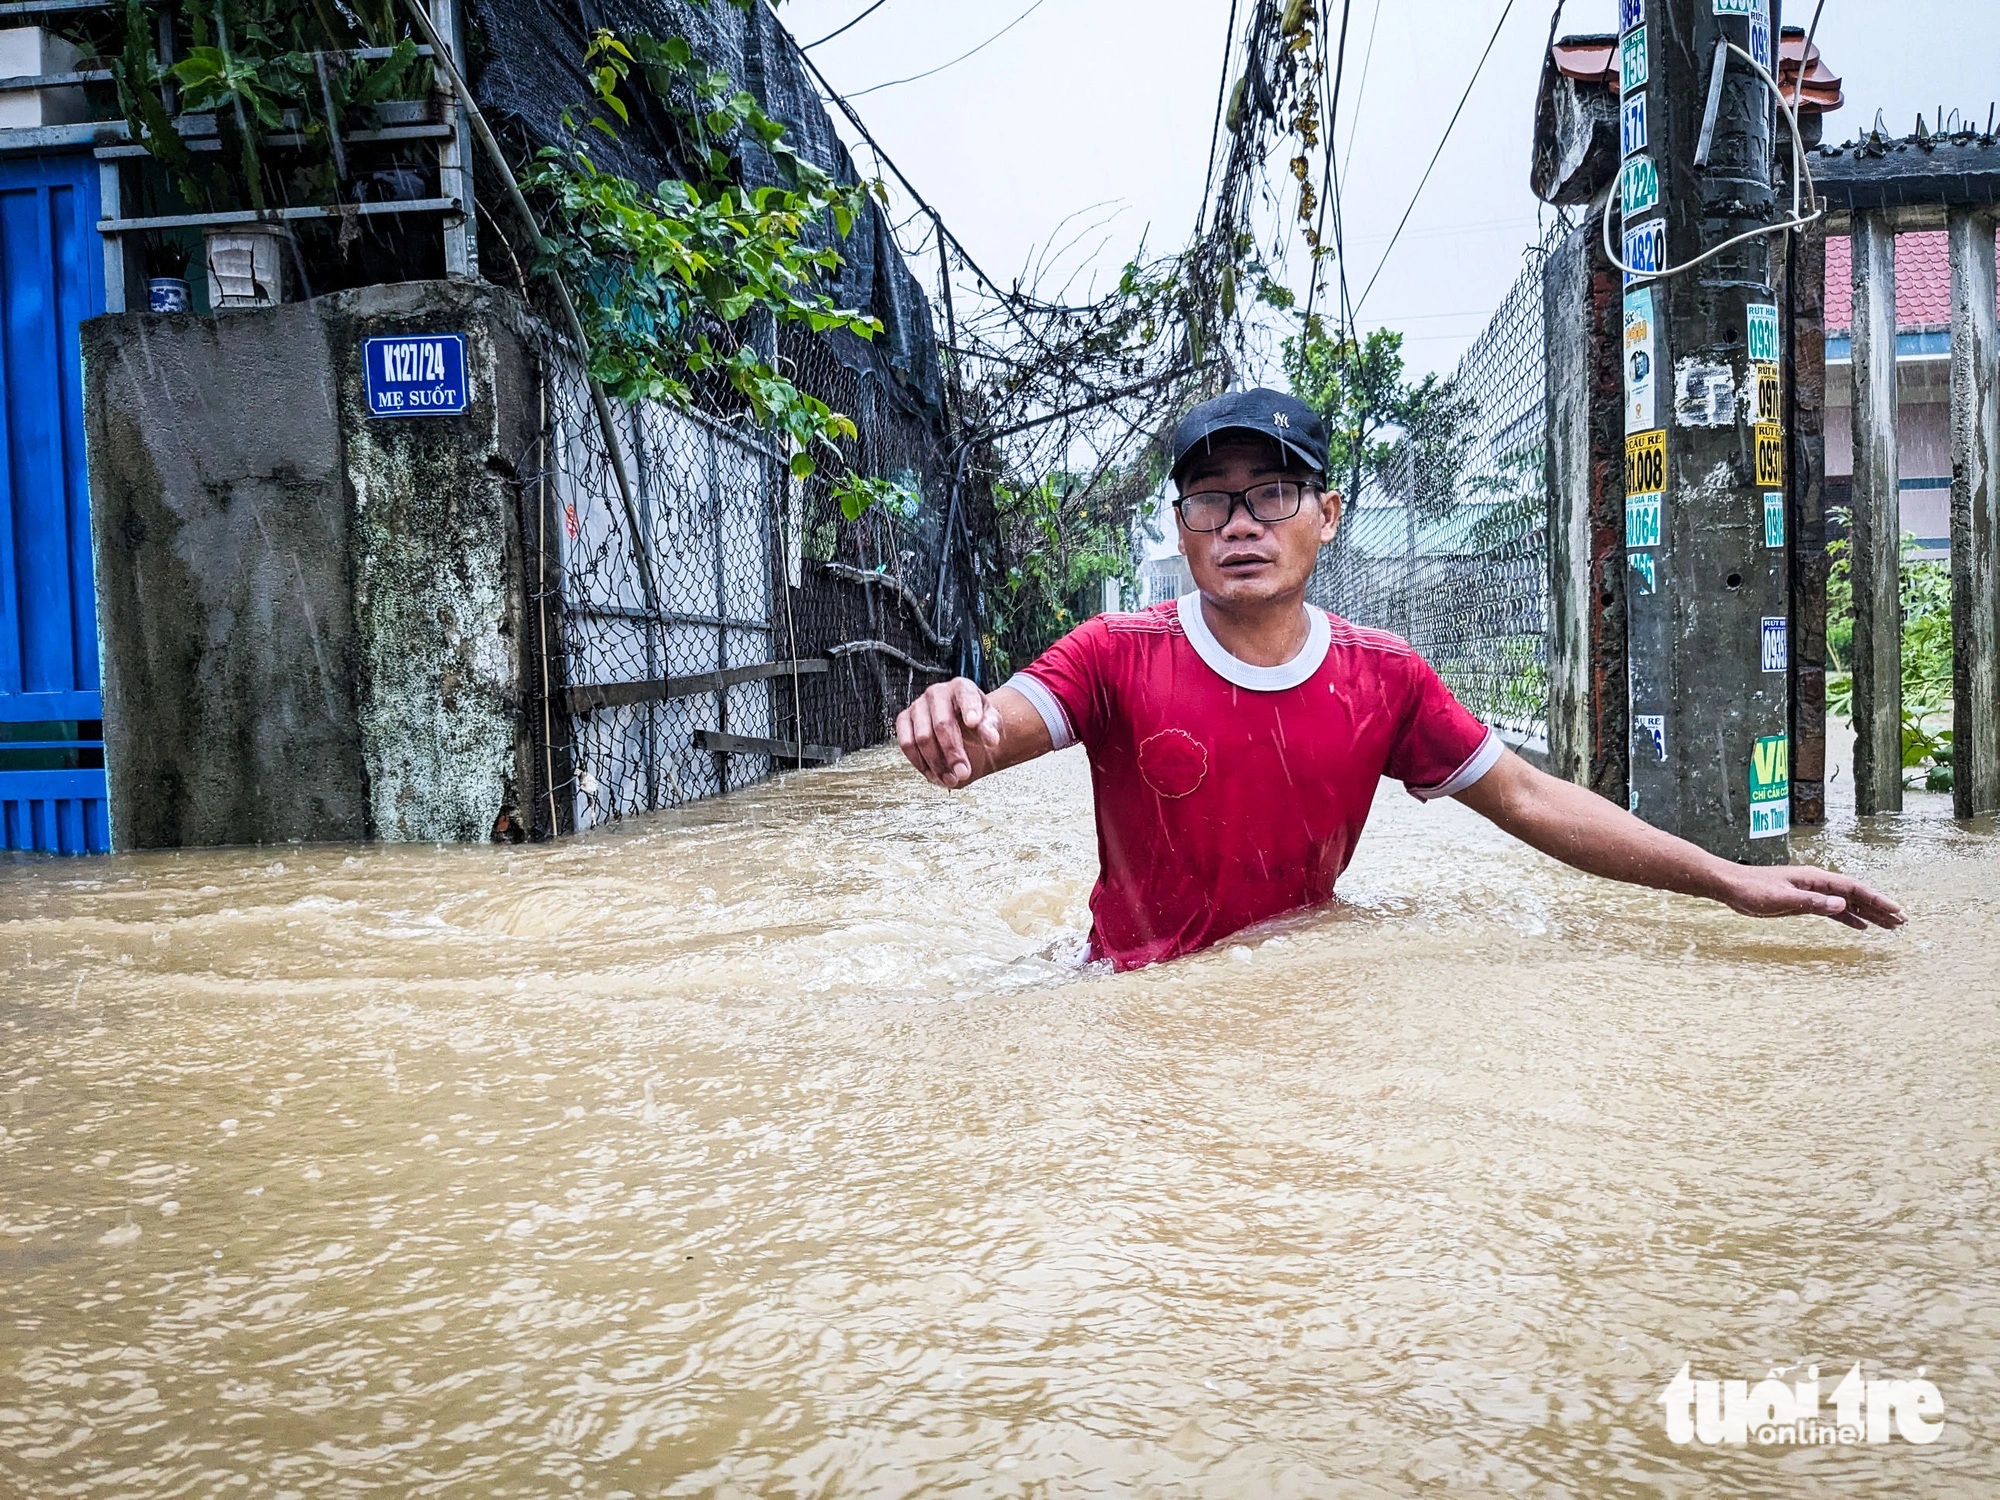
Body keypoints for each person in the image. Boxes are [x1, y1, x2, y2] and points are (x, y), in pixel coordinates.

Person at [896, 388, 1903, 970]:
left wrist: (1724, 879)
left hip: (1303, 978)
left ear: (1325, 513)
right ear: (1180, 526)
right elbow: (996, 727)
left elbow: (1530, 798)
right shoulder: (1115, 652)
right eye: (1209, 501)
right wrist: (954, 719)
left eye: (1272, 493)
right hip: (1124, 989)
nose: (1239, 524)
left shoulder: (1383, 681)